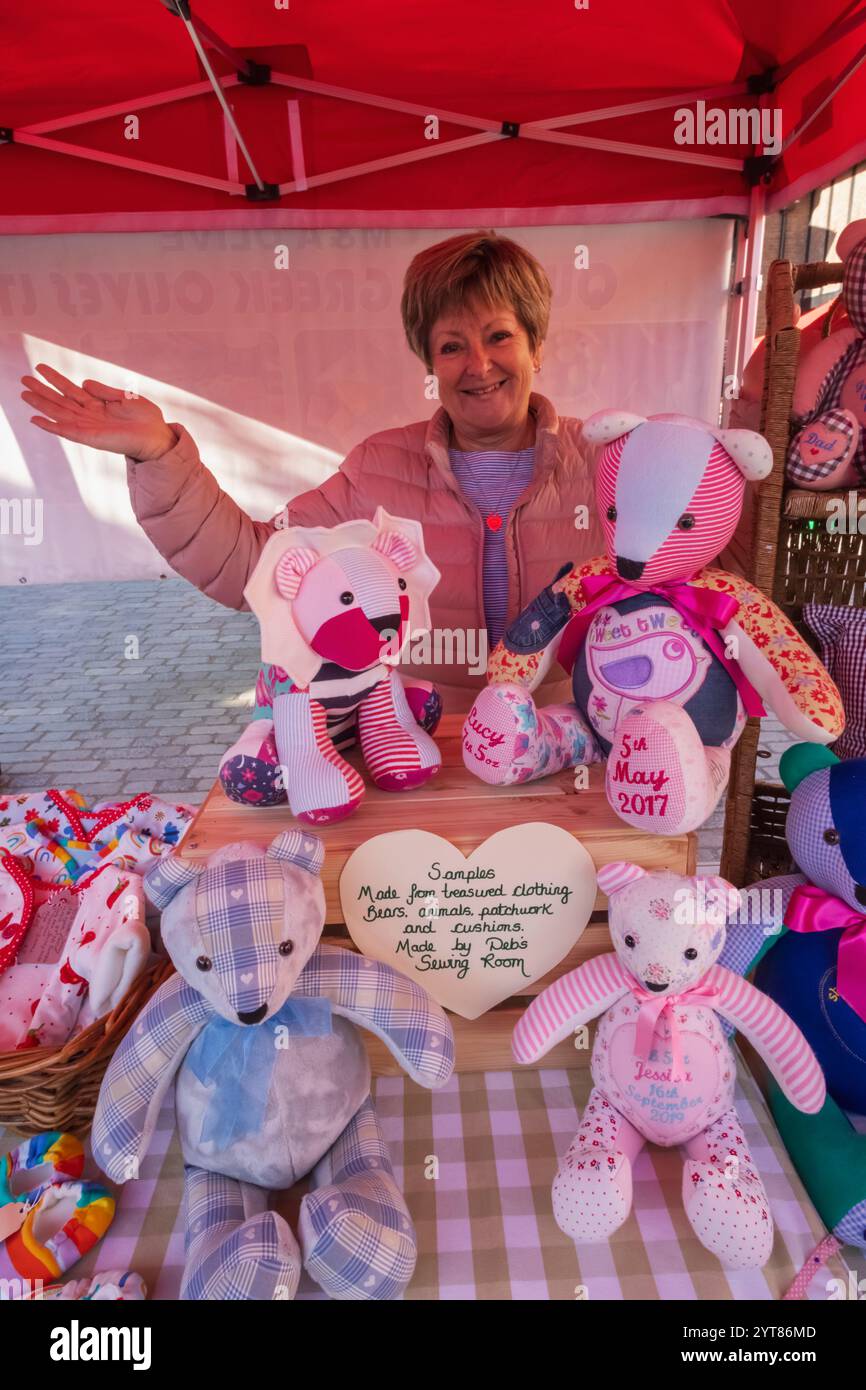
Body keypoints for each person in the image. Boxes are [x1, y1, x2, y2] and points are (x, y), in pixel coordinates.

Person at [20, 231, 602, 710]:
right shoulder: (378, 468)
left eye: (499, 336)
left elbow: (688, 562)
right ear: (429, 362)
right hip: (415, 740)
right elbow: (252, 565)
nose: (478, 365)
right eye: (451, 346)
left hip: (567, 736)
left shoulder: (605, 461)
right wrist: (158, 453)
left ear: (536, 345)